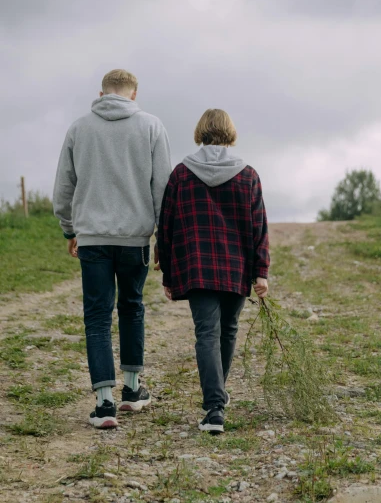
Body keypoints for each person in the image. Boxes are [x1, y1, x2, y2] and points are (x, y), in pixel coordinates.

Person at [53, 69, 171, 429]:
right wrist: (160, 236)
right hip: (134, 238)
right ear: (134, 94)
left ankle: (104, 404)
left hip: (92, 239)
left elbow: (63, 188)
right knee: (132, 307)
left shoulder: (79, 128)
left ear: (101, 92)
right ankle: (132, 392)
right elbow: (162, 186)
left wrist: (70, 229)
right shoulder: (151, 126)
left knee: (97, 316)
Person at [157, 109, 269, 434]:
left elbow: (166, 226)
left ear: (200, 132)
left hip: (196, 267)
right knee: (228, 330)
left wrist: (167, 272)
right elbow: (259, 227)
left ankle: (215, 407)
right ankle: (217, 401)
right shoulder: (248, 175)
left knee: (207, 333)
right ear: (230, 133)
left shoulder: (181, 174)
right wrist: (260, 272)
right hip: (236, 268)